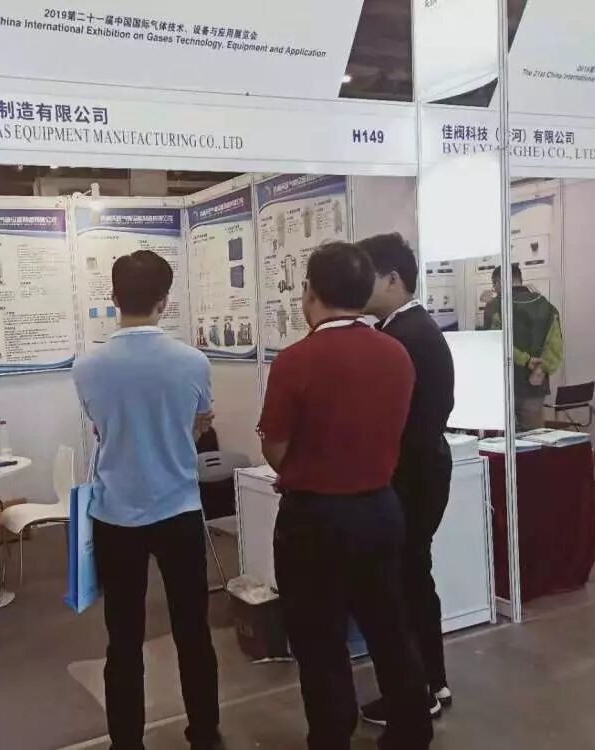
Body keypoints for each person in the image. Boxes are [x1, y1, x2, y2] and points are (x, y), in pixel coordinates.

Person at [258, 241, 432, 750]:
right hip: (380, 509)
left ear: (309, 292)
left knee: (319, 640)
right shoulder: (396, 353)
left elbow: (275, 447)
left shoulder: (295, 361)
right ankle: (411, 731)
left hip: (314, 518)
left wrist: (310, 467)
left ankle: (333, 736)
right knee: (390, 628)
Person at [72, 250, 222, 750]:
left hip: (116, 514)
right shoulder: (193, 362)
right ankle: (204, 733)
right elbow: (198, 425)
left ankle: (126, 742)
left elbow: (101, 427)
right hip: (179, 510)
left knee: (123, 638)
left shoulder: (86, 367)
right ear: (165, 300)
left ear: (114, 298)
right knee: (193, 631)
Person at [360, 233, 456, 724]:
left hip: (410, 477)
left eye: (366, 276)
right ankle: (431, 681)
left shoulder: (403, 337)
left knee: (402, 582)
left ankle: (417, 692)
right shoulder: (413, 329)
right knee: (414, 577)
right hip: (423, 470)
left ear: (393, 279)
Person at [485, 264, 563, 430]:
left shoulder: (495, 306)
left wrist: (525, 360)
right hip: (535, 387)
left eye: (494, 285)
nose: (494, 289)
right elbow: (555, 347)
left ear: (499, 282)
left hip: (504, 385)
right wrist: (541, 369)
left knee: (505, 440)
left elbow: (496, 344)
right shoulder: (547, 306)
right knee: (535, 437)